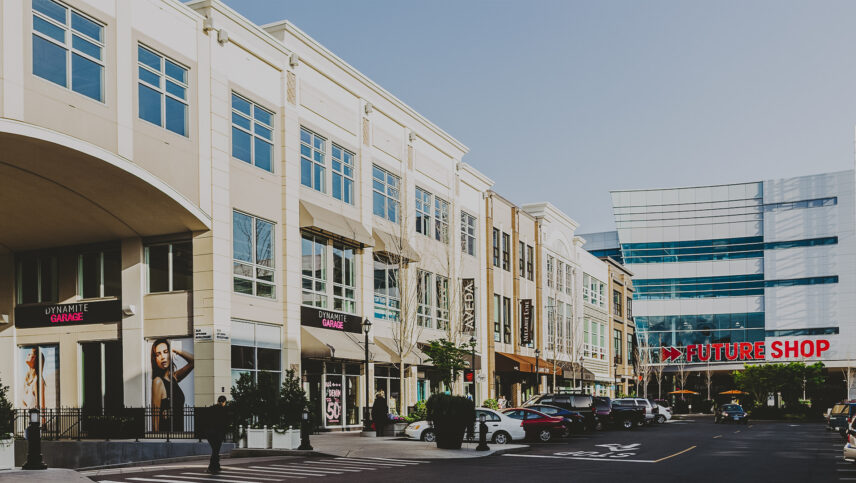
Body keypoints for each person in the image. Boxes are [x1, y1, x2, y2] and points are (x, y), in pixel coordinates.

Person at [150, 339, 194, 432]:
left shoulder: (173, 378)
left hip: (179, 435)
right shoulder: (158, 381)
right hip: (166, 437)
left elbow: (193, 361)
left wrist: (175, 349)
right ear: (155, 359)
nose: (162, 357)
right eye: (158, 354)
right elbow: (155, 419)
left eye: (165, 352)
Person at [207, 396, 228, 474]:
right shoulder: (224, 410)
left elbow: (206, 421)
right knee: (216, 451)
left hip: (210, 433)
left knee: (215, 450)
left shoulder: (210, 409)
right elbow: (225, 423)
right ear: (224, 402)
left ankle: (216, 466)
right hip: (218, 433)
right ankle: (212, 467)